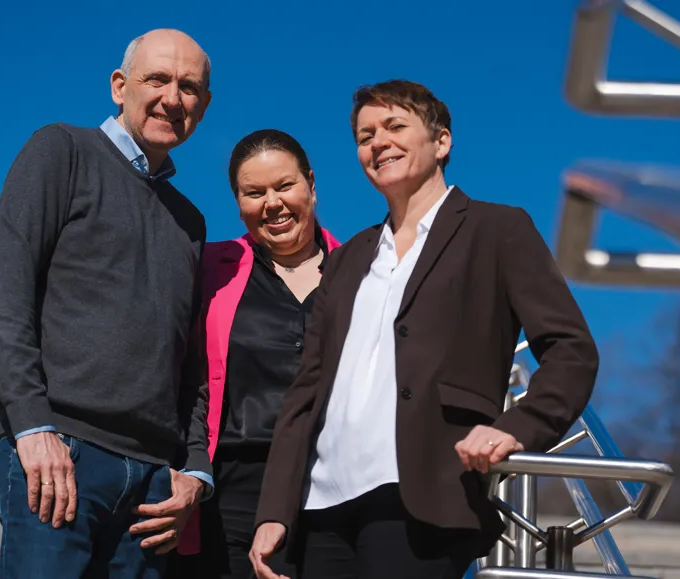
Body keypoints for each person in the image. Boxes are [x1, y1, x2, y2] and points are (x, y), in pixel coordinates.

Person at [248, 80, 600, 579]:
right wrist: (274, 510)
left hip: (422, 496)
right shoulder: (347, 259)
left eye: (394, 126)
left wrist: (516, 428)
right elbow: (305, 394)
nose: (378, 142)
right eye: (365, 135)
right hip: (320, 508)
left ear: (441, 141)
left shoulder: (497, 230)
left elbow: (572, 350)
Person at [0, 29, 215, 578]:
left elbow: (190, 357)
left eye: (189, 87)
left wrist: (194, 468)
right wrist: (32, 426)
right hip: (61, 457)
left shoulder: (190, 221)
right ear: (119, 86)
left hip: (153, 485)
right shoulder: (62, 151)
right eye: (157, 79)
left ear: (204, 104)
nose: (172, 98)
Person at [160, 129, 340, 579]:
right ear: (238, 203)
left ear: (311, 185)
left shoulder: (361, 269)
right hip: (230, 498)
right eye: (254, 193)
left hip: (334, 491)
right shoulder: (209, 268)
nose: (272, 203)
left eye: (284, 186)